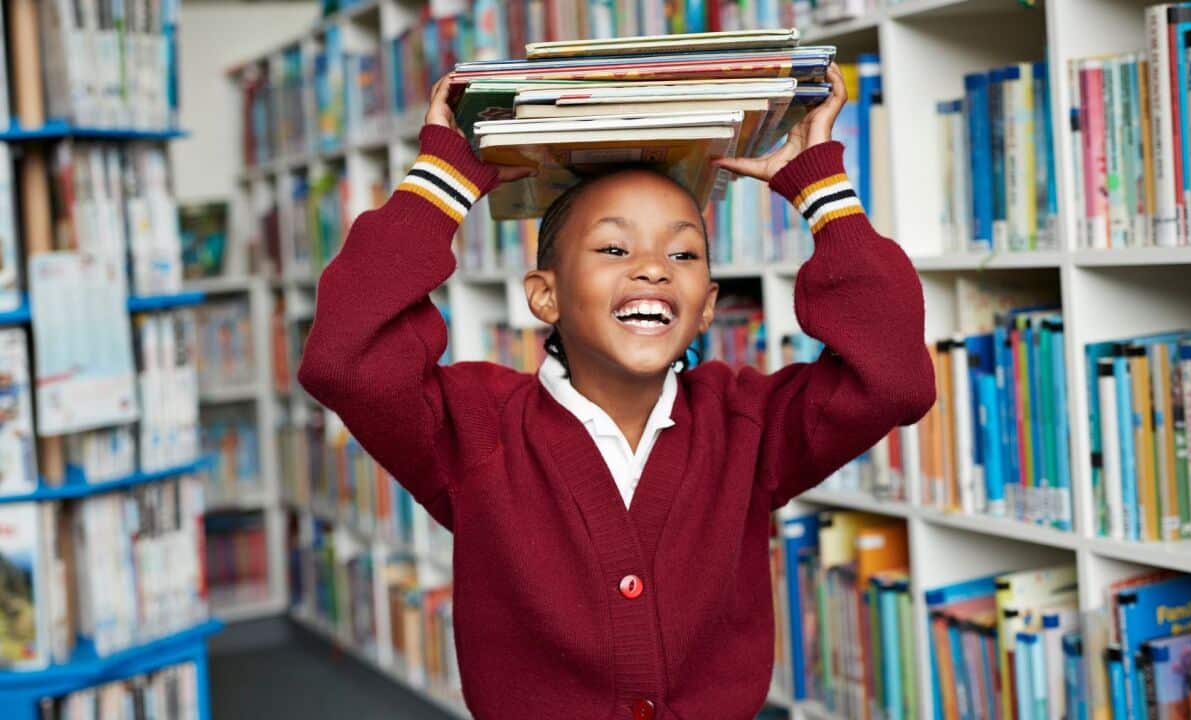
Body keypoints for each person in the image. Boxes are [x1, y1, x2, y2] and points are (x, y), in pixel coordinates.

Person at [298, 63, 934, 720]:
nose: (654, 268)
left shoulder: (749, 423)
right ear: (545, 296)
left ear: (708, 305)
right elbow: (347, 359)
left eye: (684, 255)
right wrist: (440, 185)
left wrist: (821, 190)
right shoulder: (474, 428)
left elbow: (891, 377)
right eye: (612, 248)